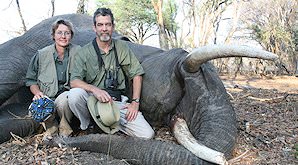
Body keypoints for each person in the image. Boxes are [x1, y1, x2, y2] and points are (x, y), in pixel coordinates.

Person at [68, 8, 154, 139]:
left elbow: (136, 74)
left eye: (108, 24)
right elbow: (74, 81)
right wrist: (94, 90)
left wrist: (135, 103)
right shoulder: (84, 52)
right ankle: (88, 126)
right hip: (93, 102)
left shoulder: (122, 47)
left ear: (113, 27)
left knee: (147, 134)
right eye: (100, 25)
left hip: (116, 103)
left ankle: (110, 124)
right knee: (75, 95)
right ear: (94, 28)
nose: (104, 29)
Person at [26, 19, 80, 139]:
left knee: (64, 101)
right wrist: (38, 93)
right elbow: (31, 80)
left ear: (71, 35)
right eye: (59, 32)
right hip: (48, 97)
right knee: (38, 107)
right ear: (53, 35)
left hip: (67, 96)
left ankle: (65, 129)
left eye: (67, 33)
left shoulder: (79, 52)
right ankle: (51, 128)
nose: (63, 36)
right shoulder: (41, 54)